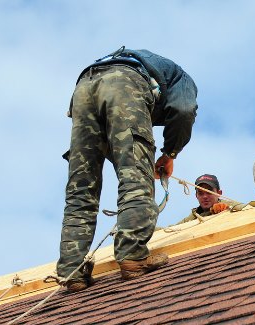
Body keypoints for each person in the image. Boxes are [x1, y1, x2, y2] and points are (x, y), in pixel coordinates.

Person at [57, 46, 198, 292]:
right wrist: (170, 154)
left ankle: (72, 271)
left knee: (82, 187)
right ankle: (133, 255)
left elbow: (113, 143)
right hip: (124, 83)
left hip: (83, 89)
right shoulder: (182, 79)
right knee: (135, 177)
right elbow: (183, 111)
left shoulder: (148, 64)